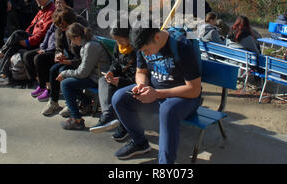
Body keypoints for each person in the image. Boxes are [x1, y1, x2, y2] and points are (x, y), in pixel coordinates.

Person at [111, 21, 201, 164]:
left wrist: (157, 94)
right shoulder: (143, 45)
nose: (145, 54)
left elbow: (194, 90)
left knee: (167, 110)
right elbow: (141, 72)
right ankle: (140, 143)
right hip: (156, 92)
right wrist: (141, 86)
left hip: (184, 98)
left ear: (157, 37)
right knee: (119, 98)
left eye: (146, 50)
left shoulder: (181, 46)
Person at [0, 0, 55, 88]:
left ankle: (0, 55)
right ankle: (3, 75)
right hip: (33, 38)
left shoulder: (51, 11)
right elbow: (31, 26)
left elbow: (43, 34)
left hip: (40, 43)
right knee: (13, 46)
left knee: (17, 34)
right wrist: (24, 37)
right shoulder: (42, 9)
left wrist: (28, 42)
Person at [57, 23, 111, 130]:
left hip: (99, 78)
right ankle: (86, 103)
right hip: (94, 74)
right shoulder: (88, 42)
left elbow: (83, 73)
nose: (71, 42)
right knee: (68, 81)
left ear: (77, 37)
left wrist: (65, 73)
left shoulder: (90, 46)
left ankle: (77, 120)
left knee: (65, 84)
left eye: (71, 39)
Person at [89, 23, 136, 140]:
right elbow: (115, 63)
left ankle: (122, 125)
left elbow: (138, 77)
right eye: (116, 40)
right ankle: (107, 115)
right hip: (119, 78)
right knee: (103, 80)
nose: (119, 43)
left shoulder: (137, 50)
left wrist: (120, 81)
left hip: (132, 83)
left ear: (129, 37)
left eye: (121, 40)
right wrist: (111, 72)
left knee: (118, 92)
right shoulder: (118, 46)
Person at [39, 6, 87, 116]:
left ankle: (70, 102)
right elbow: (58, 46)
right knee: (53, 70)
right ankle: (53, 101)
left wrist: (68, 62)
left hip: (80, 61)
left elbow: (83, 58)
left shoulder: (78, 30)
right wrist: (58, 53)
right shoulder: (60, 30)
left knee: (62, 70)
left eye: (64, 25)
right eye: (59, 26)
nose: (62, 27)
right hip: (70, 58)